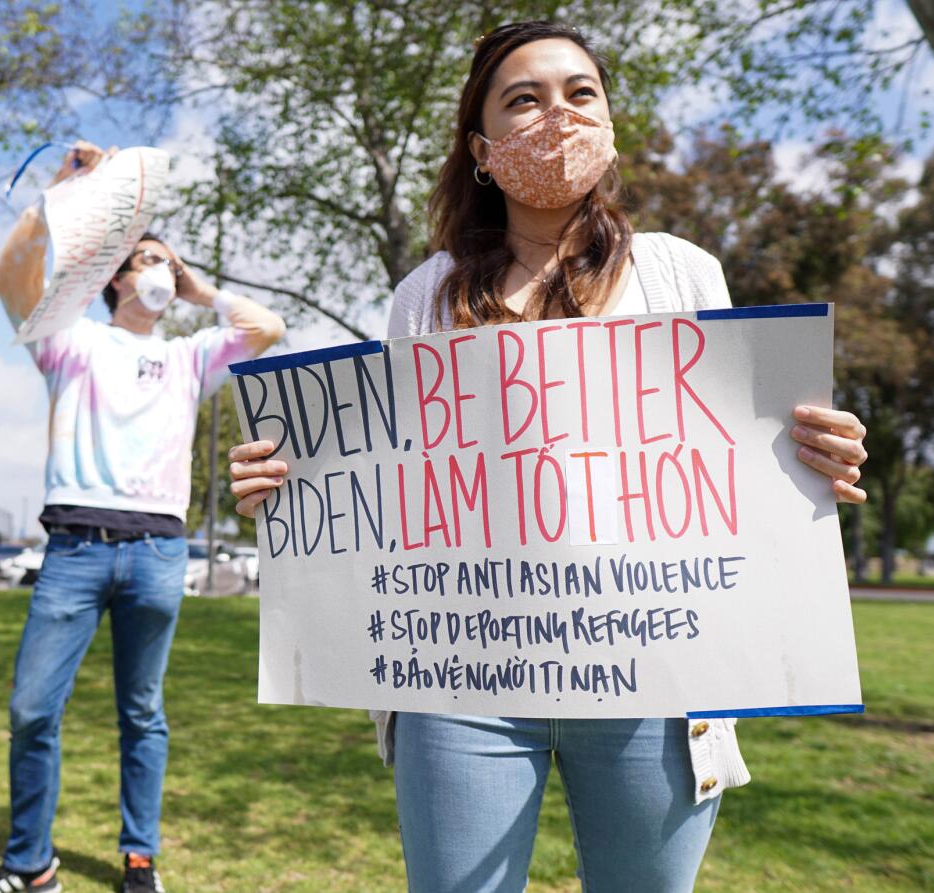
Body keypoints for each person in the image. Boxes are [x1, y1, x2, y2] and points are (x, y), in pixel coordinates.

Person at [227, 21, 870, 893]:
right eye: (522, 99)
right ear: (483, 149)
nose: (556, 116)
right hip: (465, 674)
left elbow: (736, 457)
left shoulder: (683, 276)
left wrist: (812, 455)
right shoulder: (427, 295)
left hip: (657, 668)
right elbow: (391, 476)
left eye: (580, 93)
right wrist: (291, 488)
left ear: (609, 125)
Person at [0, 142, 285, 893]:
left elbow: (266, 327)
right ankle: (31, 868)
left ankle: (140, 860)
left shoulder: (190, 356)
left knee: (144, 714)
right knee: (33, 708)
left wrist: (201, 290)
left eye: (167, 260)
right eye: (146, 259)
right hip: (74, 550)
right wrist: (66, 190)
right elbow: (13, 274)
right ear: (114, 277)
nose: (159, 270)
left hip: (159, 555)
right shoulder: (69, 340)